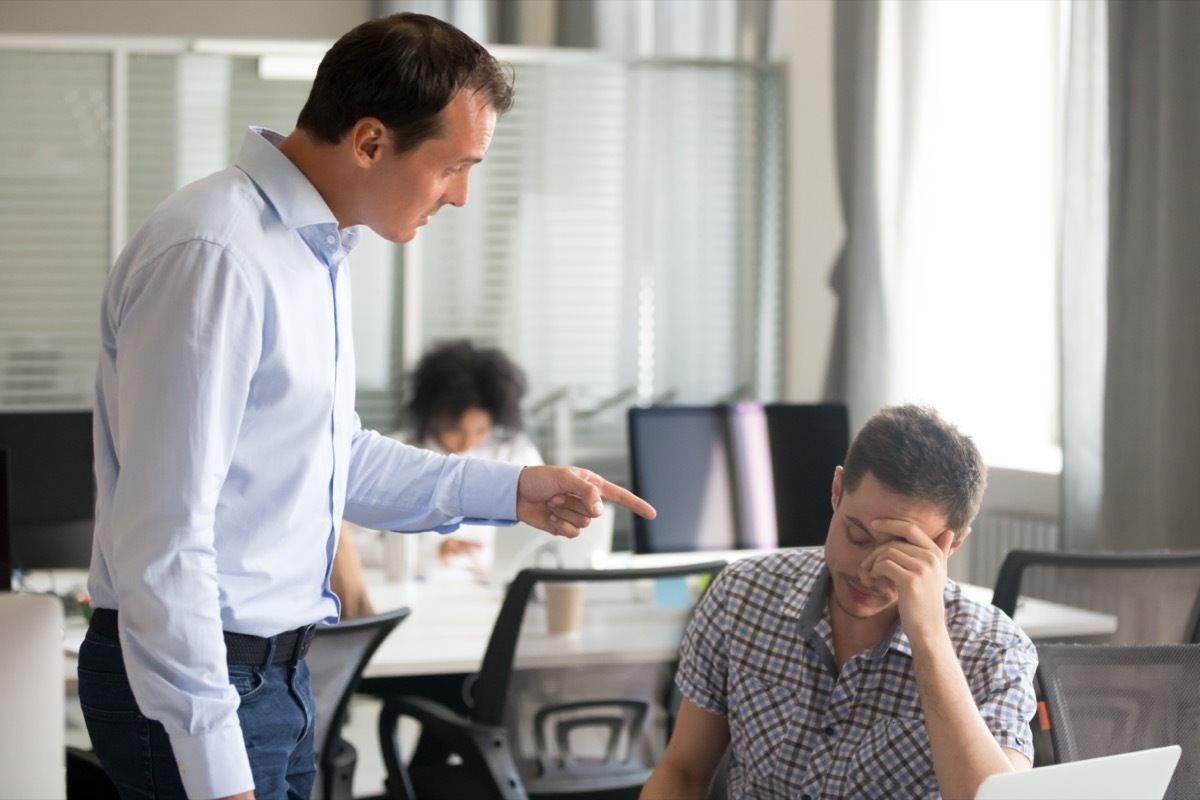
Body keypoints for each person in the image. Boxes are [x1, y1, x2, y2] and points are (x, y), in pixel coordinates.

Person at [78, 13, 654, 800]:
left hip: (276, 677)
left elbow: (332, 457)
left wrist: (511, 489)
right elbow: (165, 538)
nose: (460, 198)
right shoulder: (216, 256)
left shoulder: (314, 251)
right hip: (201, 687)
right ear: (372, 141)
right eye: (453, 166)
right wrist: (214, 767)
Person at [641, 404, 1037, 800]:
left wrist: (930, 638)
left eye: (899, 555)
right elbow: (684, 772)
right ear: (836, 492)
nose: (866, 571)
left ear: (949, 546)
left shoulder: (994, 649)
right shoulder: (742, 595)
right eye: (857, 536)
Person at [332, 339, 543, 605]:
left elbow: (536, 542)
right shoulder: (393, 453)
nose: (467, 443)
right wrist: (432, 553)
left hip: (495, 593)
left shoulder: (514, 452)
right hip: (417, 594)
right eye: (455, 430)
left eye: (480, 432)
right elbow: (350, 546)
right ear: (432, 414)